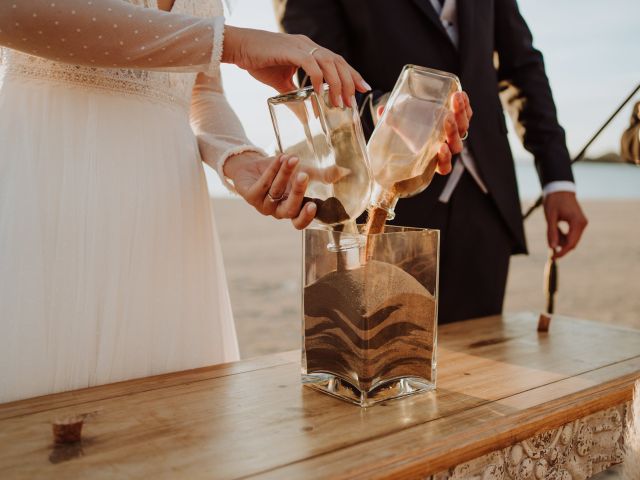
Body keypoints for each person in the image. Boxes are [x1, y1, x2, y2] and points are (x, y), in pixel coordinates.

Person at [0, 0, 468, 403]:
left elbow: (197, 92)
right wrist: (235, 43)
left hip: (164, 212)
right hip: (54, 174)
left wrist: (240, 161)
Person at [276, 0, 589, 324]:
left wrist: (557, 180)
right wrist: (381, 110)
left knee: (481, 361)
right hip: (381, 201)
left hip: (485, 202)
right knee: (381, 357)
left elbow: (521, 66)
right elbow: (312, 65)